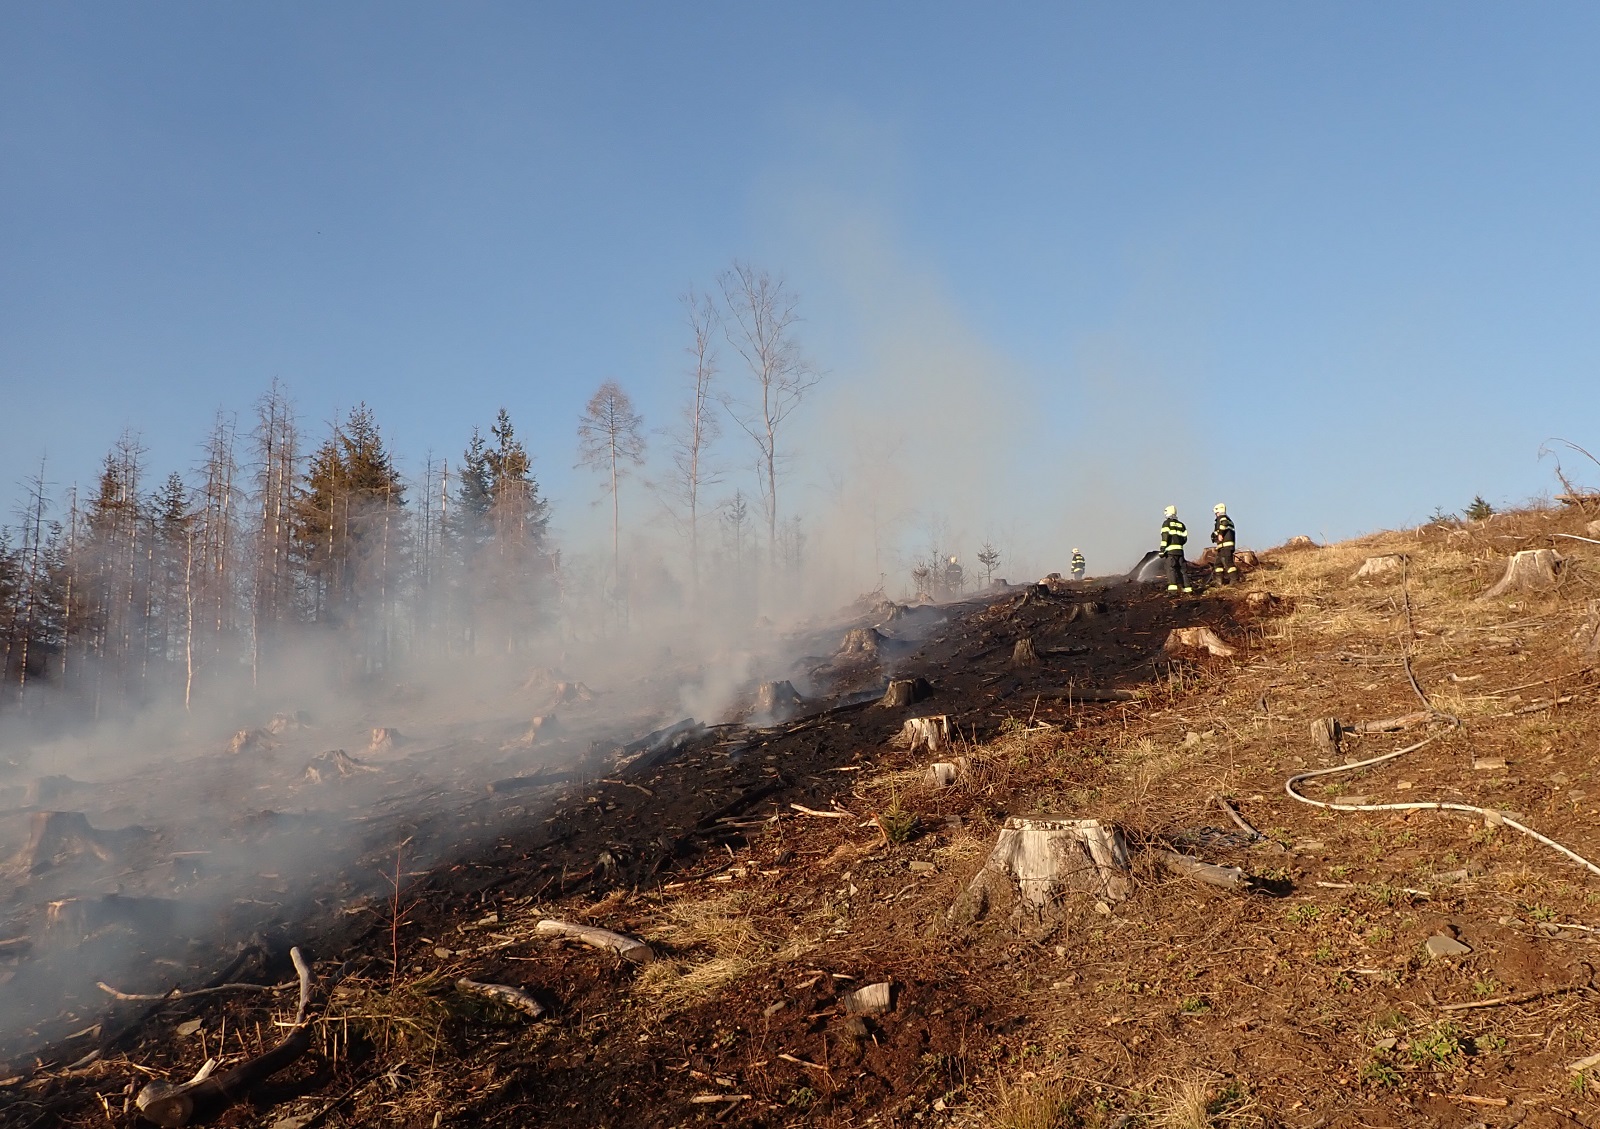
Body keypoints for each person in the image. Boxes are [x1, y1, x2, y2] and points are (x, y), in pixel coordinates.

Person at [1160, 505, 1192, 594]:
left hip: (1170, 552)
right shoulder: (1181, 525)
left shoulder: (1166, 523)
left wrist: (1162, 549)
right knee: (1183, 570)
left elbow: (1165, 537)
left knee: (1171, 569)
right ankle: (1188, 590)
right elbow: (1185, 539)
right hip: (1180, 552)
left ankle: (1173, 591)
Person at [1211, 503, 1237, 584]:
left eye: (1216, 513)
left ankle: (1235, 580)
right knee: (1218, 564)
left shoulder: (1222, 518)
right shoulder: (1228, 519)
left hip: (1225, 546)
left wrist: (1220, 534)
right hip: (1222, 547)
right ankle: (1219, 582)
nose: (1215, 515)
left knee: (1228, 563)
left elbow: (1224, 523)